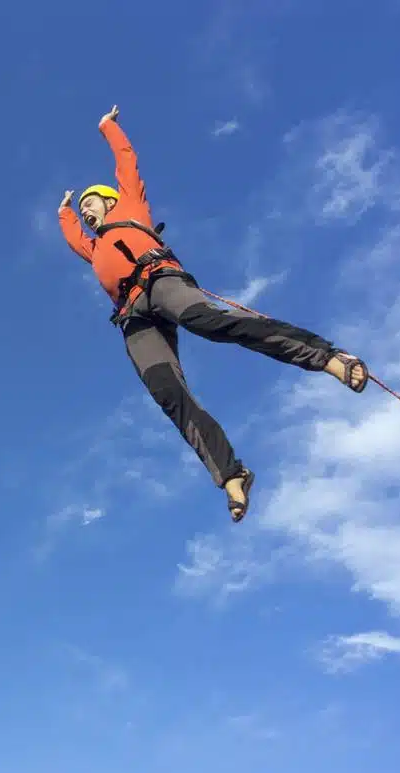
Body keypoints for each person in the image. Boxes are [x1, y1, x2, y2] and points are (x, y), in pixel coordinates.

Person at [57, 104, 369, 523]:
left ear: (111, 201)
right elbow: (73, 236)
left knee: (210, 322)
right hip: (133, 315)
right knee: (166, 391)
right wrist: (64, 211)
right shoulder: (94, 247)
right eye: (84, 209)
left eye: (92, 202)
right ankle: (231, 473)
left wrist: (107, 127)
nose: (87, 210)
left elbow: (126, 162)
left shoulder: (130, 207)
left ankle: (329, 358)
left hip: (161, 281)